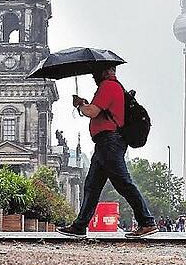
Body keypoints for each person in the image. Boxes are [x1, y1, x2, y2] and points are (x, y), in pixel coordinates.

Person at [57, 65, 158, 239]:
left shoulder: (108, 86)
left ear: (105, 71)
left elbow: (92, 111)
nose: (93, 75)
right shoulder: (112, 87)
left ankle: (147, 222)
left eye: (96, 72)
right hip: (105, 143)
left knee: (123, 183)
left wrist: (80, 104)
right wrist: (84, 105)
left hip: (109, 142)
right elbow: (99, 111)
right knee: (92, 185)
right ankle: (80, 226)